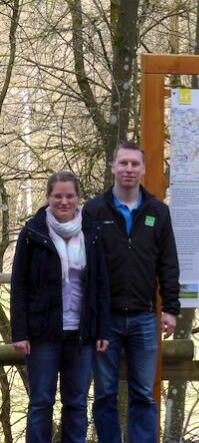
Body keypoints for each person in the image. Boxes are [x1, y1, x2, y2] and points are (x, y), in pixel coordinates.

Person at [83, 141, 180, 443]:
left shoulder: (158, 212)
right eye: (123, 163)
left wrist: (171, 309)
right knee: (105, 395)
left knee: (143, 395)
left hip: (144, 318)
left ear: (143, 169)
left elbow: (168, 263)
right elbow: (83, 267)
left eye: (134, 164)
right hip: (105, 321)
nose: (128, 169)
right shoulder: (93, 211)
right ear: (112, 167)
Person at [10, 171, 110, 443]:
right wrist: (20, 333)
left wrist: (102, 330)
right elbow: (19, 285)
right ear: (48, 197)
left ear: (79, 198)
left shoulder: (92, 232)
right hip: (43, 333)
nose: (63, 201)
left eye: (69, 196)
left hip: (82, 334)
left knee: (76, 403)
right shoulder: (32, 233)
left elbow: (101, 285)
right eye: (58, 196)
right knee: (41, 402)